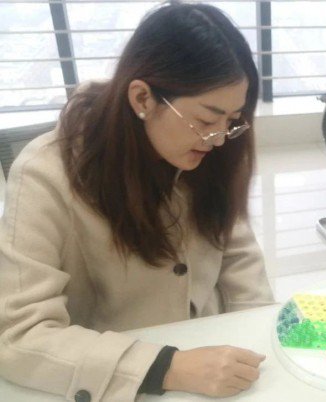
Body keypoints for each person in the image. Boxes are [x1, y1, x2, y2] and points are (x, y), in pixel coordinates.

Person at [0, 3, 274, 400]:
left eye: (231, 120)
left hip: (212, 359)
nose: (218, 138)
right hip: (114, 377)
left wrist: (261, 336)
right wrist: (165, 367)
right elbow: (19, 334)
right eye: (206, 120)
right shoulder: (45, 175)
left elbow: (238, 256)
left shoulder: (211, 151)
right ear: (143, 98)